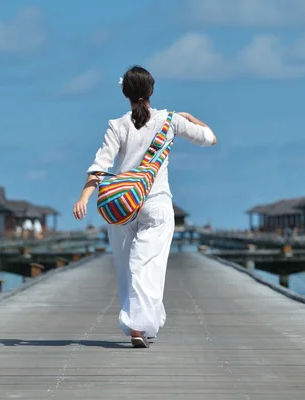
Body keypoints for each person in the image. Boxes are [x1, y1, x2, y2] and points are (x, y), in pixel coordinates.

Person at [73, 66, 217, 348]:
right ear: (151, 91)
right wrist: (188, 117)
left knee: (127, 267)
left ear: (125, 93)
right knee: (148, 265)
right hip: (156, 203)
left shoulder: (117, 125)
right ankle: (141, 325)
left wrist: (84, 198)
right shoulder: (170, 120)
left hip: (122, 206)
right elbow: (210, 138)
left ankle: (140, 324)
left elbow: (99, 169)